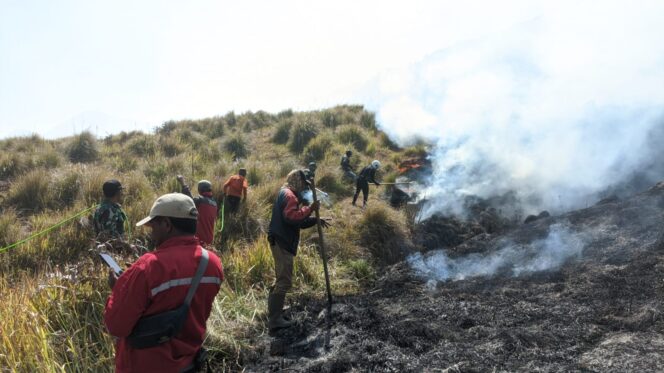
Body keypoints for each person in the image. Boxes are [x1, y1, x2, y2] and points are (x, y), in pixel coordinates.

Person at [104, 193, 224, 373]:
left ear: (167, 224)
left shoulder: (147, 267)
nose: (151, 233)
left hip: (145, 366)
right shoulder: (213, 263)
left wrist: (119, 288)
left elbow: (116, 326)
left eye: (153, 226)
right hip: (189, 363)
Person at [267, 170, 329, 332]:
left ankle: (275, 312)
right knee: (284, 281)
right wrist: (310, 209)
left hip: (280, 240)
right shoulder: (289, 195)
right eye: (303, 184)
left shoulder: (286, 193)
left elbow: (298, 222)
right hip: (282, 242)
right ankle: (274, 319)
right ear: (297, 180)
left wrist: (315, 219)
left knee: (281, 278)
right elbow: (291, 217)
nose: (304, 188)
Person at [177, 175, 218, 246]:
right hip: (210, 240)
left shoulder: (200, 200)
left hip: (199, 240)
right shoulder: (215, 204)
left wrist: (182, 183)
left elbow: (189, 199)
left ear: (200, 190)